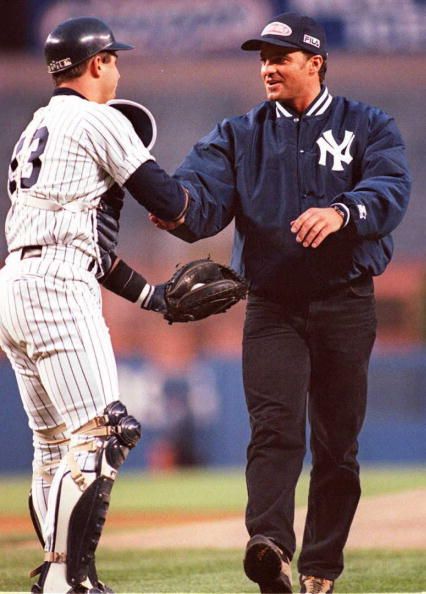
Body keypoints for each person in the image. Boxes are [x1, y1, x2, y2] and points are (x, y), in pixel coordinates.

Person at [147, 11, 411, 594]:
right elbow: (203, 198)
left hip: (346, 302)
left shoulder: (368, 124)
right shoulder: (238, 134)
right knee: (273, 430)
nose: (267, 67)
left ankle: (321, 568)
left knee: (337, 444)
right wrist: (180, 211)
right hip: (271, 308)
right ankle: (268, 546)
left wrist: (342, 211)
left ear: (315, 63)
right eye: (262, 57)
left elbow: (391, 190)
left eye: (280, 57)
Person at [0, 16, 187, 594]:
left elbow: (95, 254)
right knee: (102, 431)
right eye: (114, 59)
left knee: (55, 442)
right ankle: (67, 580)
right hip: (58, 283)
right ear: (98, 62)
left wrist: (155, 297)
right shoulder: (98, 117)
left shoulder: (39, 122)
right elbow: (171, 200)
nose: (119, 67)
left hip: (15, 283)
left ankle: (60, 571)